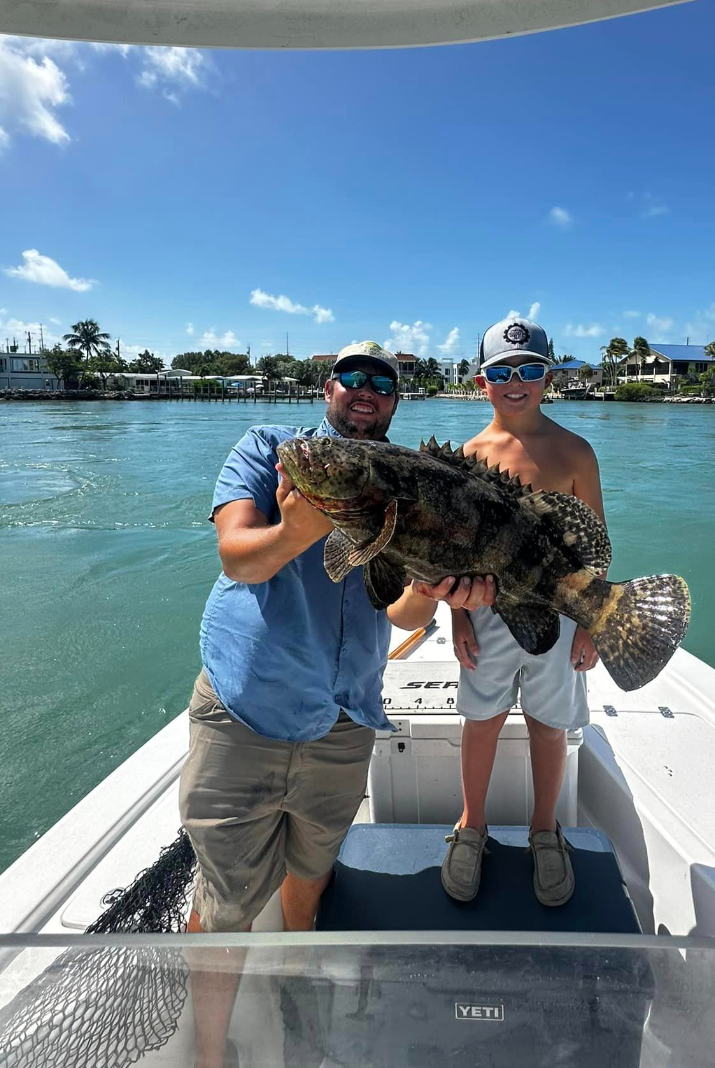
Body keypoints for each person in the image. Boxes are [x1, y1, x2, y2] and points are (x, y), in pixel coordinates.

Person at [180, 340, 494, 1068]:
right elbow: (238, 556)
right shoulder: (274, 452)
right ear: (327, 389)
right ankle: (207, 1055)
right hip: (246, 711)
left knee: (313, 869)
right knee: (224, 901)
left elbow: (404, 614)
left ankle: (297, 980)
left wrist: (451, 592)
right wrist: (297, 528)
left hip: (345, 718)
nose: (365, 390)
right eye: (351, 378)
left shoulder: (412, 483)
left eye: (381, 383)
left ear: (395, 401)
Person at [441, 317, 607, 908]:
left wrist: (590, 621)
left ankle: (544, 828)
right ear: (482, 382)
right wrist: (458, 617)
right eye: (502, 372)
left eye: (530, 370)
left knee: (548, 722)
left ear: (549, 377)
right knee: (481, 719)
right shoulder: (467, 455)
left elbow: (595, 545)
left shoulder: (575, 452)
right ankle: (471, 825)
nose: (517, 382)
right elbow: (453, 554)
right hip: (486, 610)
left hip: (557, 614)